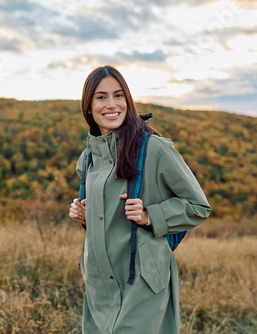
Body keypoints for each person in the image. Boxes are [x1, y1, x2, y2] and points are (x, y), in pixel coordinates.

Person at [69, 65, 212, 333]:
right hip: (99, 283)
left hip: (143, 282)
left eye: (118, 95)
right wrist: (82, 215)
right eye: (101, 97)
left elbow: (198, 207)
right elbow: (102, 221)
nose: (111, 104)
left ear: (128, 100)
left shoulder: (155, 148)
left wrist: (150, 216)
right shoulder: (88, 157)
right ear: (88, 106)